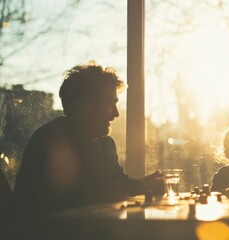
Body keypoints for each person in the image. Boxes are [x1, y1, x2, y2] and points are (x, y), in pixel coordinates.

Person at [13, 61, 164, 219]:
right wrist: (140, 185)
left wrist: (148, 185)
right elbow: (79, 197)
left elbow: (118, 184)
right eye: (109, 104)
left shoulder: (105, 144)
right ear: (86, 105)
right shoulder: (52, 141)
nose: (116, 114)